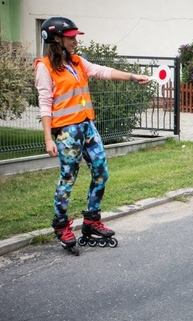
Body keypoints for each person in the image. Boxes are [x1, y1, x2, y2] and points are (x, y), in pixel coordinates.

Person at [35, 16, 149, 254]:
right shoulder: (44, 67)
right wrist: (48, 138)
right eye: (71, 37)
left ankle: (91, 220)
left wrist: (131, 76)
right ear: (56, 39)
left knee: (101, 171)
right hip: (66, 131)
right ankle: (60, 224)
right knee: (68, 178)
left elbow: (101, 71)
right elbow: (45, 103)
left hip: (87, 127)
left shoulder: (77, 62)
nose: (75, 41)